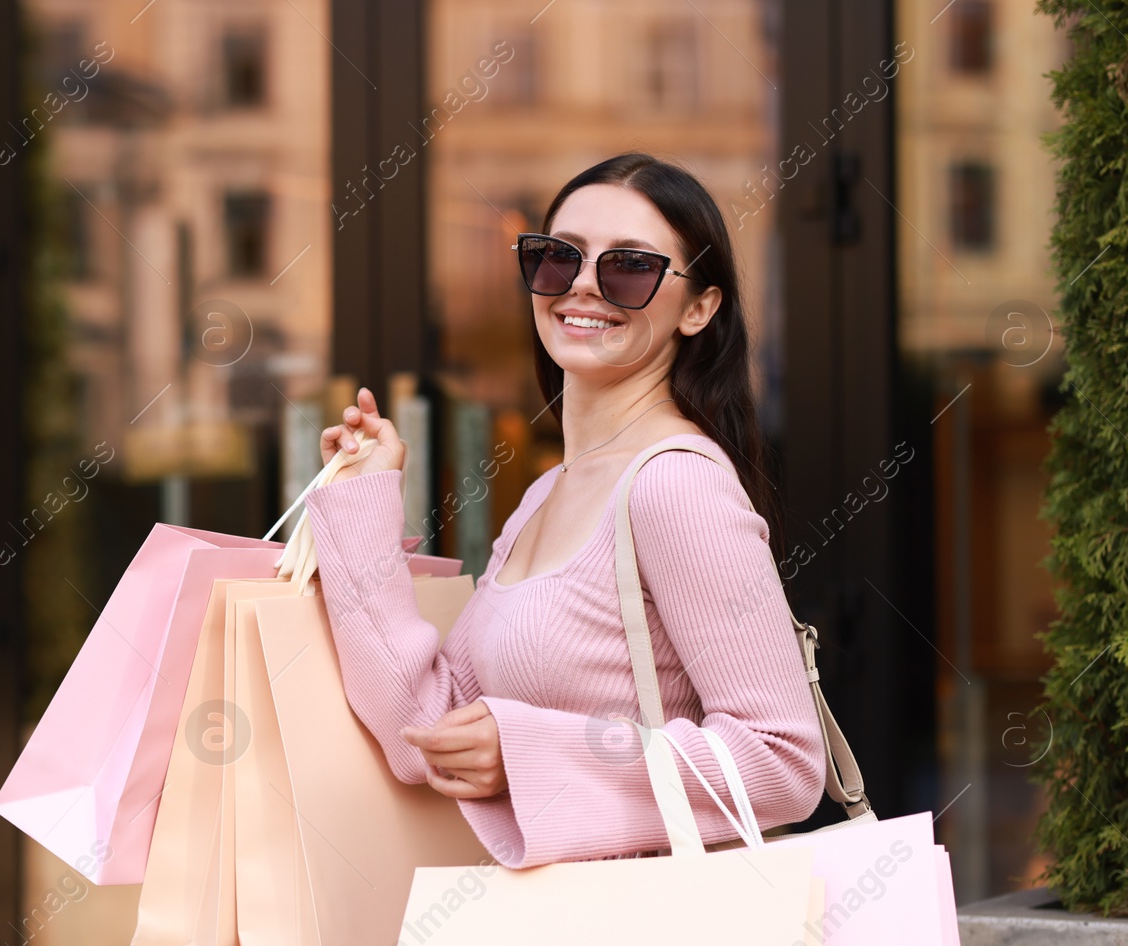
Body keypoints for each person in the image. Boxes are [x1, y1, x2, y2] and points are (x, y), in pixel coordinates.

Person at [305, 152, 824, 867]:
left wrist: (528, 750)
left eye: (631, 268)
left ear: (700, 308)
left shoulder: (675, 486)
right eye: (558, 257)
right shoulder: (550, 492)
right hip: (550, 944)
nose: (582, 285)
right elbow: (420, 733)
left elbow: (783, 763)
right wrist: (361, 502)